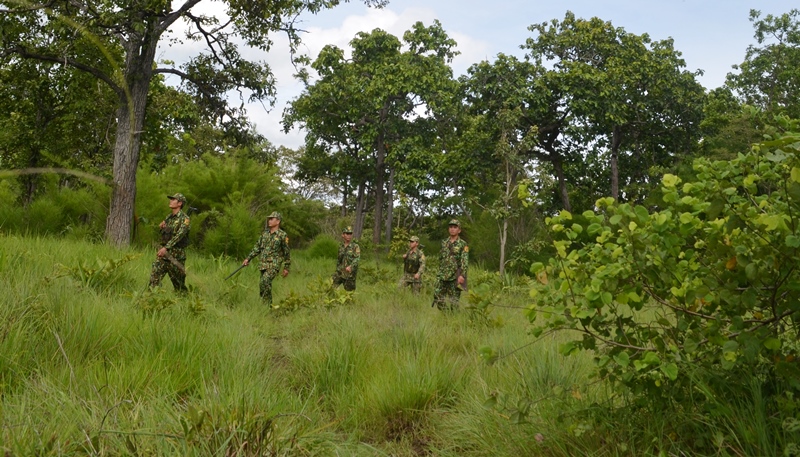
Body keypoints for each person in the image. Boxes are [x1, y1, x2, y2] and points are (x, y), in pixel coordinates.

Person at [243, 211, 291, 306]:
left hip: (274, 264)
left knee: (265, 281)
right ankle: (265, 306)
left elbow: (287, 252)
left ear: (278, 221)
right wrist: (248, 259)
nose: (269, 220)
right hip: (263, 264)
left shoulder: (282, 235)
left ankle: (268, 305)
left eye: (271, 219)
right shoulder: (265, 234)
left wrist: (286, 267)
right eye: (269, 219)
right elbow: (257, 248)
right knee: (262, 285)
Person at [149, 193, 191, 292]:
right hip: (164, 256)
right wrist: (162, 227)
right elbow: (166, 235)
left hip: (176, 256)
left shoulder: (185, 219)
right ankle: (149, 300)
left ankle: (184, 301)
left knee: (179, 285)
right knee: (154, 279)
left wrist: (166, 248)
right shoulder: (169, 217)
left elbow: (179, 236)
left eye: (173, 199)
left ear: (180, 203)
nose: (171, 201)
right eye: (171, 199)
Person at [433, 219, 468, 310]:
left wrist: (462, 275)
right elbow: (441, 258)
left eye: (455, 227)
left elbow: (464, 260)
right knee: (437, 297)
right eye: (451, 227)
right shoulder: (444, 242)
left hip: (455, 276)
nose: (452, 229)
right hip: (443, 275)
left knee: (454, 303)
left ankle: (453, 319)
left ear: (459, 230)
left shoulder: (463, 244)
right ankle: (446, 314)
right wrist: (439, 272)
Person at [332, 226, 360, 291]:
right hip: (339, 272)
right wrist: (337, 270)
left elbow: (357, 258)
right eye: (347, 234)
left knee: (349, 294)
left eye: (350, 234)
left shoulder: (355, 246)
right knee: (331, 289)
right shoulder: (341, 246)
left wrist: (351, 266)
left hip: (349, 275)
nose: (349, 236)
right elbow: (339, 260)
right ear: (343, 235)